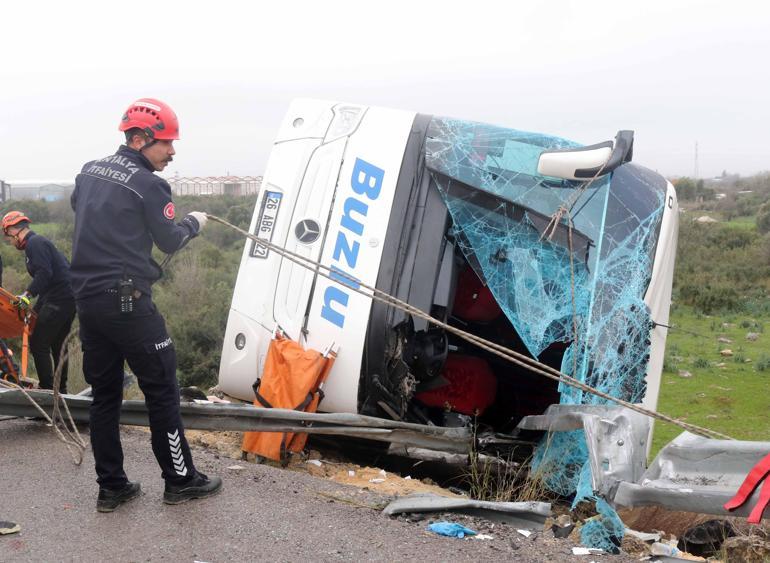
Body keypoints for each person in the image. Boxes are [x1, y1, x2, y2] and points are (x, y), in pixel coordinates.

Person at [70, 97, 222, 512]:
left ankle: (112, 487)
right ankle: (180, 479)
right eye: (167, 143)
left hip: (88, 302)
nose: (172, 152)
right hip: (128, 304)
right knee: (162, 391)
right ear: (140, 139)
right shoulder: (150, 184)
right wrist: (193, 222)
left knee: (104, 396)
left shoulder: (88, 172)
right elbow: (170, 240)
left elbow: (87, 218)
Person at [2, 211, 76, 393]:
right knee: (58, 345)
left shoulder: (35, 244)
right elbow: (50, 279)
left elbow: (44, 273)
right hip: (66, 298)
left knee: (37, 343)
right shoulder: (38, 243)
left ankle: (48, 390)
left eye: (8, 237)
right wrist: (33, 309)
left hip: (59, 299)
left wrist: (27, 294)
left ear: (13, 230)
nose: (10, 242)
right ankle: (61, 391)